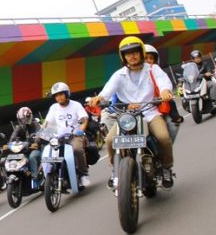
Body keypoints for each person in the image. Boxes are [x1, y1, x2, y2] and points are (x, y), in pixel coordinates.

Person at [89, 36, 175, 189]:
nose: (132, 56)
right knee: (110, 140)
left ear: (141, 52)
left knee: (163, 137)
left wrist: (165, 91)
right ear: (123, 56)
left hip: (150, 112)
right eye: (128, 53)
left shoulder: (153, 69)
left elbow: (163, 82)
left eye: (135, 52)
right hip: (128, 117)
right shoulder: (119, 74)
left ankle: (166, 168)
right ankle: (116, 170)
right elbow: (108, 90)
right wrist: (99, 98)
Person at [43, 82, 90, 187]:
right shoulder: (54, 108)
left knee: (77, 149)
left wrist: (80, 131)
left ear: (67, 93)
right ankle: (49, 175)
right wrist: (42, 131)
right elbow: (47, 122)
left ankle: (83, 174)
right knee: (49, 153)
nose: (59, 97)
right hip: (59, 138)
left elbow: (84, 119)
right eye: (56, 95)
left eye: (61, 94)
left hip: (74, 136)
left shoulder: (76, 105)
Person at [144, 44, 184, 124]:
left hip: (157, 99)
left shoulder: (155, 68)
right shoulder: (130, 74)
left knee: (170, 102)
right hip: (142, 106)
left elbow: (162, 80)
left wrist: (165, 90)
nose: (148, 60)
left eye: (151, 58)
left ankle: (175, 116)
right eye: (145, 58)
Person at [9, 107, 42, 189]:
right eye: (21, 119)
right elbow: (13, 137)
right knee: (13, 159)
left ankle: (35, 178)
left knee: (32, 157)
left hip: (36, 149)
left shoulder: (35, 124)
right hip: (25, 150)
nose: (23, 120)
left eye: (25, 118)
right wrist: (9, 143)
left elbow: (39, 134)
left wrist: (36, 142)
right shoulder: (19, 127)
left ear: (29, 116)